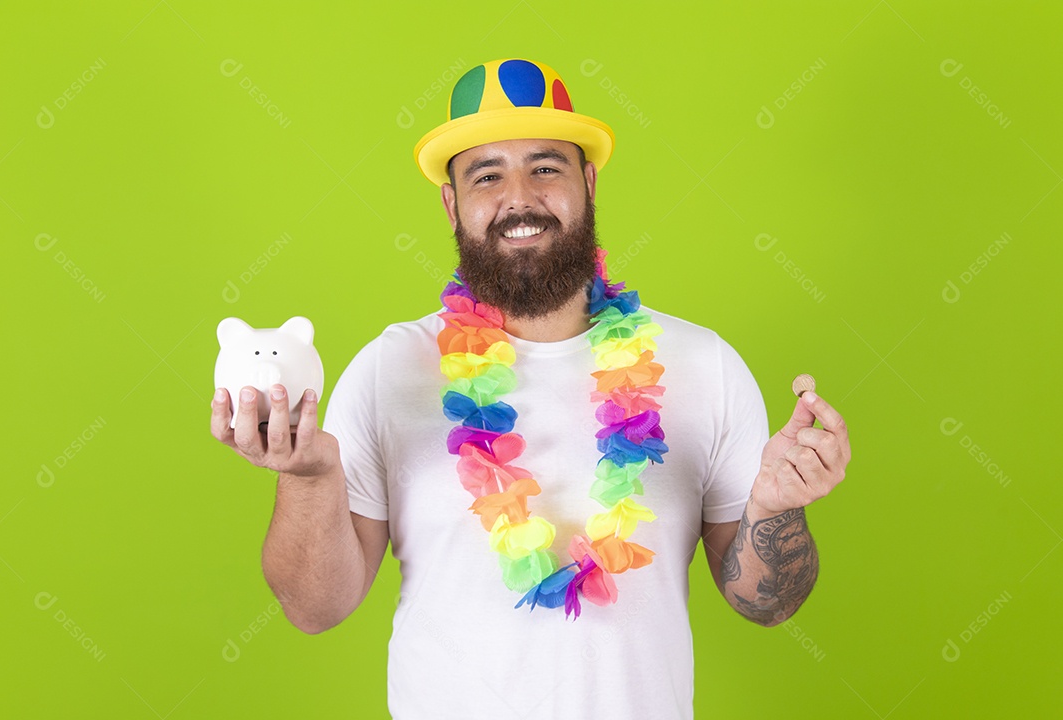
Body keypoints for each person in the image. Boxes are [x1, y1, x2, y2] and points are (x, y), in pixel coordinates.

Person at [210, 57, 851, 719]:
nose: (519, 196)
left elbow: (768, 604)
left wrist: (777, 510)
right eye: (486, 174)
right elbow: (316, 609)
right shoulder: (388, 370)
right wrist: (311, 478)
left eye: (546, 167)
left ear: (589, 183)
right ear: (451, 201)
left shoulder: (703, 364)